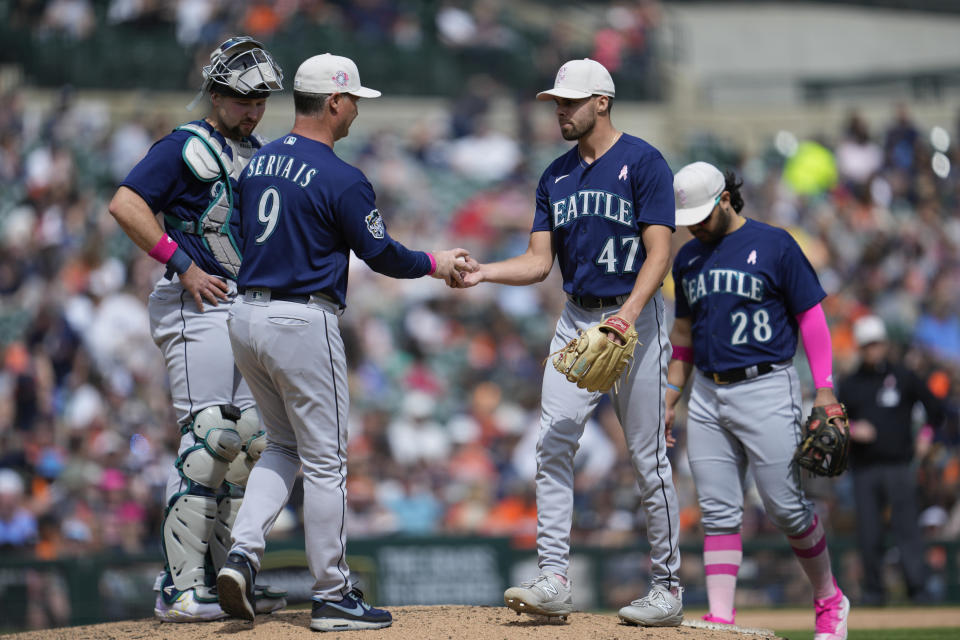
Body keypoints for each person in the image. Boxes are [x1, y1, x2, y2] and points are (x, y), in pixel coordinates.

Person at [213, 53, 474, 632]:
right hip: (301, 320)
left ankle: (241, 555)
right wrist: (436, 262)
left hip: (245, 315)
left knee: (282, 447)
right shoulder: (341, 176)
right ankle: (332, 595)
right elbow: (382, 255)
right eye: (355, 98)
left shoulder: (257, 164)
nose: (358, 109)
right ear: (333, 102)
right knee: (326, 462)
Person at [460, 58, 684, 627]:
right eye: (556, 101)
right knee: (552, 443)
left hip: (636, 320)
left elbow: (660, 252)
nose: (559, 109)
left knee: (647, 458)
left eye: (570, 101)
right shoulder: (554, 175)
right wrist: (485, 271)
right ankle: (554, 577)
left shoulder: (644, 161)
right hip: (577, 318)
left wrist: (628, 317)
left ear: (601, 102)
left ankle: (666, 586)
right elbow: (539, 264)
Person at [107, 36, 287, 622]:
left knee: (246, 446)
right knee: (208, 439)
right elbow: (127, 202)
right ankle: (176, 586)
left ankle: (221, 579)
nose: (253, 109)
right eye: (242, 98)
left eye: (260, 98)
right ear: (215, 93)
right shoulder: (186, 145)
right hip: (195, 301)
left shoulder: (253, 148)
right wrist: (180, 264)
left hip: (237, 304)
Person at [665, 162, 850, 640]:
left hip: (766, 384)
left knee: (786, 508)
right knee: (718, 510)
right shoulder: (687, 258)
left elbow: (810, 316)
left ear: (726, 198)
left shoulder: (775, 243)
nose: (697, 226)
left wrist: (825, 387)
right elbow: (683, 333)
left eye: (704, 215)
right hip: (706, 391)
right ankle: (721, 618)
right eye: (690, 220)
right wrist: (671, 395)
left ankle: (829, 598)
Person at [839, 314, 945, 606]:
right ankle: (874, 592)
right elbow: (833, 421)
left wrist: (925, 434)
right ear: (861, 348)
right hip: (864, 469)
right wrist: (852, 429)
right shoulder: (850, 384)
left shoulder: (902, 376)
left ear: (884, 344)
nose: (873, 350)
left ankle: (917, 590)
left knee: (908, 530)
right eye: (867, 345)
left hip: (899, 465)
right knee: (869, 534)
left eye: (877, 344)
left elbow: (936, 409)